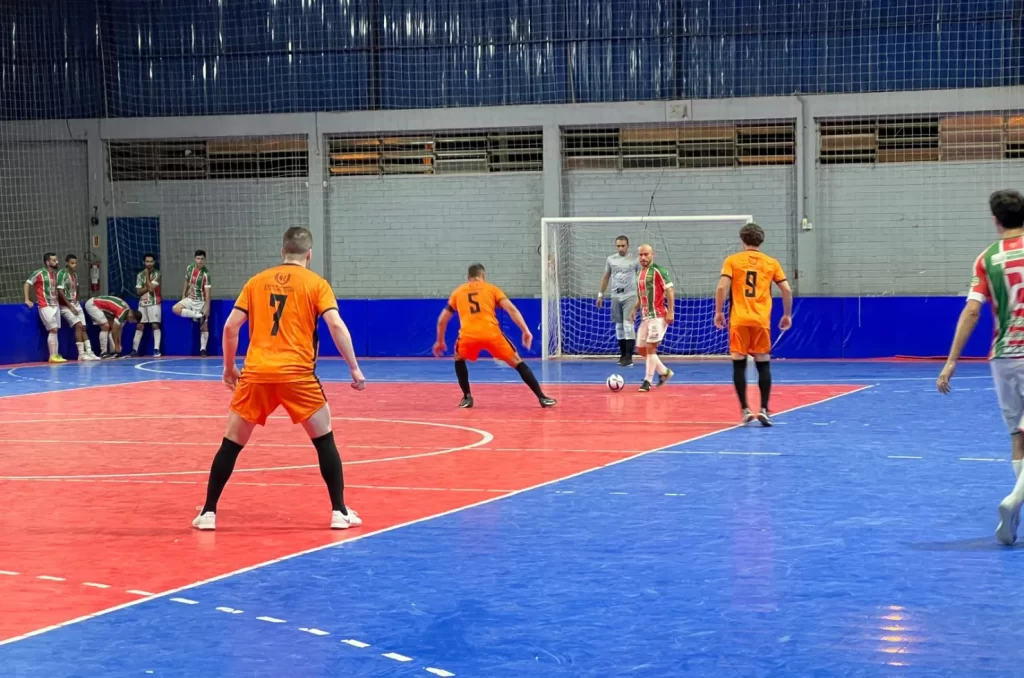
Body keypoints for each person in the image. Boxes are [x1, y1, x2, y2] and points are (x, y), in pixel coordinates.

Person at [192, 227, 366, 531]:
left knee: (231, 443)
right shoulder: (316, 284)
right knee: (324, 439)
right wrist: (353, 367)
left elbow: (231, 328)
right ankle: (339, 511)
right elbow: (336, 325)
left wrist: (229, 368)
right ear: (309, 255)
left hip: (257, 373)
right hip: (297, 375)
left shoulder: (256, 282)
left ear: (281, 251)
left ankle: (208, 512)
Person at [938, 188, 1024, 545]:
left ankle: (1015, 512)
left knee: (1018, 438)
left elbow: (972, 311)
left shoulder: (986, 259)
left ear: (995, 220)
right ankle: (1015, 498)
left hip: (1003, 356)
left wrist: (951, 361)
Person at [433, 263, 556, 408]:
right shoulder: (492, 289)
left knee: (459, 358)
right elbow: (511, 309)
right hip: (491, 334)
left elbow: (442, 320)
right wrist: (525, 330)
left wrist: (440, 341)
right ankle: (542, 397)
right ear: (483, 276)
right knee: (517, 362)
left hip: (468, 336)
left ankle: (467, 397)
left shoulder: (458, 292)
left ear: (468, 277)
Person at [714, 223, 793, 426]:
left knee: (739, 365)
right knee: (763, 364)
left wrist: (718, 312)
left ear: (743, 241)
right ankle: (764, 409)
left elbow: (722, 286)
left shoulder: (732, 260)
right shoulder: (771, 262)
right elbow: (787, 290)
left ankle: (745, 410)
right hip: (760, 321)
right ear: (761, 241)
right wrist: (787, 315)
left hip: (739, 319)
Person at [628, 244, 674, 392]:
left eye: (646, 254)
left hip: (658, 315)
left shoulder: (659, 271)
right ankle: (664, 372)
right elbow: (641, 296)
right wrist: (635, 309)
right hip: (645, 316)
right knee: (641, 349)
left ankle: (647, 381)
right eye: (640, 255)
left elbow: (670, 291)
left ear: (652, 255)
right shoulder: (639, 274)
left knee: (650, 348)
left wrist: (671, 311)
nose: (643, 257)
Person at [598, 235, 640, 367]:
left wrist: (641, 297)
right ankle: (622, 356)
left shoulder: (635, 260)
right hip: (616, 296)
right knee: (619, 326)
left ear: (628, 245)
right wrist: (600, 294)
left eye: (623, 245)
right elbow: (606, 277)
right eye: (618, 246)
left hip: (630, 295)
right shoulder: (611, 259)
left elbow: (641, 279)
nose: (621, 248)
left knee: (628, 325)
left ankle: (629, 357)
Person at [56, 254, 98, 361]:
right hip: (65, 305)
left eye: (75, 263)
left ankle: (89, 352)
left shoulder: (75, 275)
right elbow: (60, 292)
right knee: (78, 326)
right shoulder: (62, 274)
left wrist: (77, 300)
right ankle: (81, 354)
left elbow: (77, 288)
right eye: (72, 263)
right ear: (66, 263)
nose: (74, 265)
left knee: (83, 327)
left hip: (75, 304)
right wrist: (70, 306)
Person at [24, 252, 64, 363]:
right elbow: (27, 284)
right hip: (45, 305)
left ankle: (56, 355)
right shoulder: (39, 273)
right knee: (53, 329)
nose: (57, 262)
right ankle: (52, 356)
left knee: (56, 331)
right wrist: (27, 299)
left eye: (56, 260)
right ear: (47, 262)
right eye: (54, 260)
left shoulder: (55, 275)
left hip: (55, 305)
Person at [173, 249, 211, 356]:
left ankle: (203, 349)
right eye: (198, 259)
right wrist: (183, 294)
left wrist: (207, 308)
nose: (200, 261)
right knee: (175, 309)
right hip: (190, 298)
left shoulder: (206, 274)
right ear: (195, 259)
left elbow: (208, 293)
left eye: (202, 259)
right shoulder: (189, 268)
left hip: (201, 301)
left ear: (205, 260)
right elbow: (186, 281)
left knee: (204, 326)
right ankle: (196, 315)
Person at [131, 254, 162, 357]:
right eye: (147, 261)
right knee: (139, 325)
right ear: (144, 262)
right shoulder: (140, 275)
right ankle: (135, 350)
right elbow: (138, 292)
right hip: (142, 303)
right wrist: (146, 288)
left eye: (151, 261)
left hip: (154, 302)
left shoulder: (157, 274)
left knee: (155, 325)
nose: (149, 263)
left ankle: (156, 349)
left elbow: (152, 289)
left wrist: (147, 276)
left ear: (154, 262)